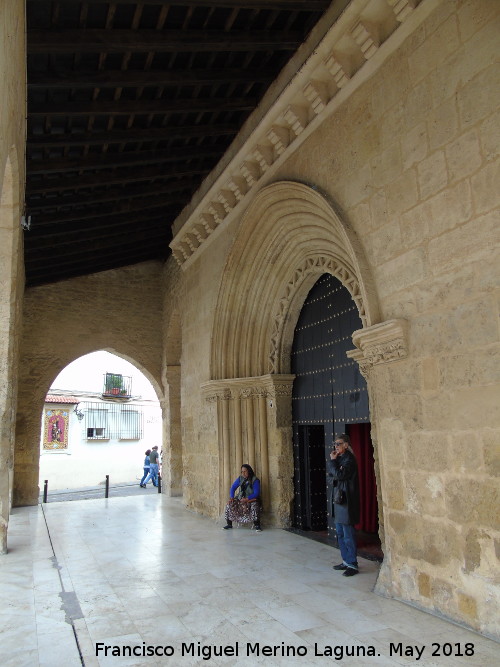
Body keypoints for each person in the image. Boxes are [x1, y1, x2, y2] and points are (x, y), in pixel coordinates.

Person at [327, 434, 360, 577]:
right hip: (339, 500)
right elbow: (330, 476)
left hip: (347, 502)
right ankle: (346, 560)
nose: (336, 447)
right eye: (335, 444)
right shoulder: (339, 459)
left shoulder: (349, 460)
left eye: (339, 444)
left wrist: (333, 464)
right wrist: (335, 469)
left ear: (346, 445)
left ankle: (352, 563)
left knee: (348, 534)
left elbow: (340, 475)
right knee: (340, 533)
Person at [223, 464, 262, 532]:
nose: (243, 473)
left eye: (245, 471)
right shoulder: (240, 478)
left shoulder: (255, 480)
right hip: (241, 498)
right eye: (242, 471)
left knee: (254, 506)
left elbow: (256, 493)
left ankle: (257, 525)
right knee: (229, 504)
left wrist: (247, 499)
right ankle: (229, 524)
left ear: (249, 471)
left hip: (251, 499)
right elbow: (232, 488)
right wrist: (231, 497)